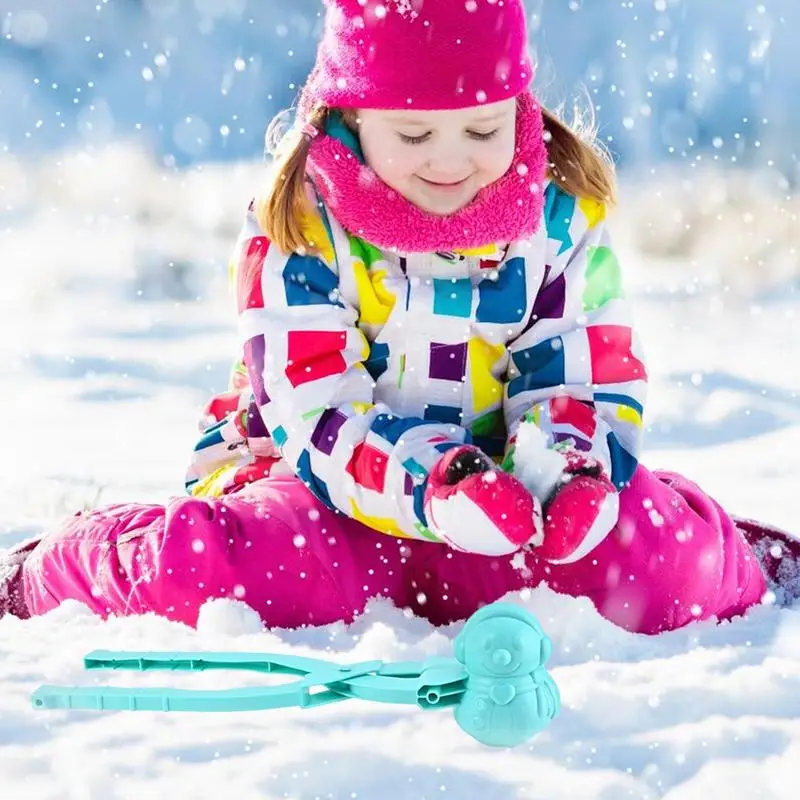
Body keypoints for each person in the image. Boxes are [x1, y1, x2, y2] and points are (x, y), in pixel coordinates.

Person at [1, 0, 797, 635]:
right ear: (348, 115)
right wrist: (433, 486)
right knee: (215, 578)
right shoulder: (304, 226)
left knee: (653, 561)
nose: (449, 160)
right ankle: (58, 565)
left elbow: (581, 368)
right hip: (323, 503)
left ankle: (749, 559)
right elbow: (316, 412)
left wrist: (563, 479)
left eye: (483, 129)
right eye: (414, 133)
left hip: (506, 520)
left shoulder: (557, 219)